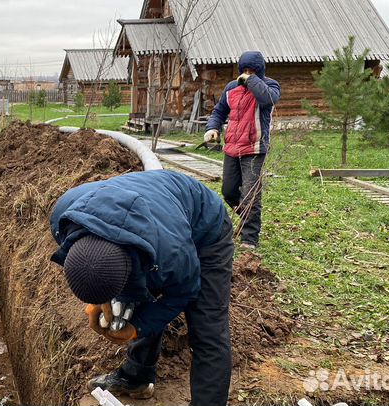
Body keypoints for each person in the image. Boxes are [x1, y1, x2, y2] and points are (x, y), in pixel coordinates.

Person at [49, 170, 234, 406]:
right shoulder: (64, 217)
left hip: (205, 228)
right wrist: (100, 297)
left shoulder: (172, 257)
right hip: (154, 210)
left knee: (208, 329)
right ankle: (136, 377)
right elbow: (94, 262)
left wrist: (138, 327)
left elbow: (183, 292)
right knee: (134, 294)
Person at [204, 51, 281, 250]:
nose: (247, 73)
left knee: (251, 195)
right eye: (244, 70)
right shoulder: (231, 88)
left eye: (252, 70)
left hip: (255, 148)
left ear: (260, 71)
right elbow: (219, 111)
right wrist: (212, 128)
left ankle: (250, 238)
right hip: (232, 147)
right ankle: (248, 218)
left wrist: (252, 80)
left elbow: (267, 100)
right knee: (228, 191)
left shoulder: (269, 86)